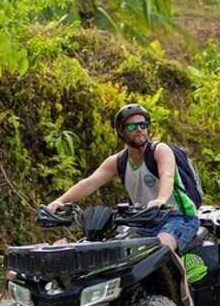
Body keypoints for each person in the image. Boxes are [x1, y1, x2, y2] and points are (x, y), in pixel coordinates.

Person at [47, 104, 200, 253]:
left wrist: (160, 200)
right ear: (122, 132)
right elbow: (88, 183)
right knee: (116, 252)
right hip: (143, 222)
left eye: (143, 124)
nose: (139, 129)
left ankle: (182, 280)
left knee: (162, 250)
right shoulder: (118, 161)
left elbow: (166, 176)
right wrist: (60, 201)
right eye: (132, 127)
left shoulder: (160, 150)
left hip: (179, 216)